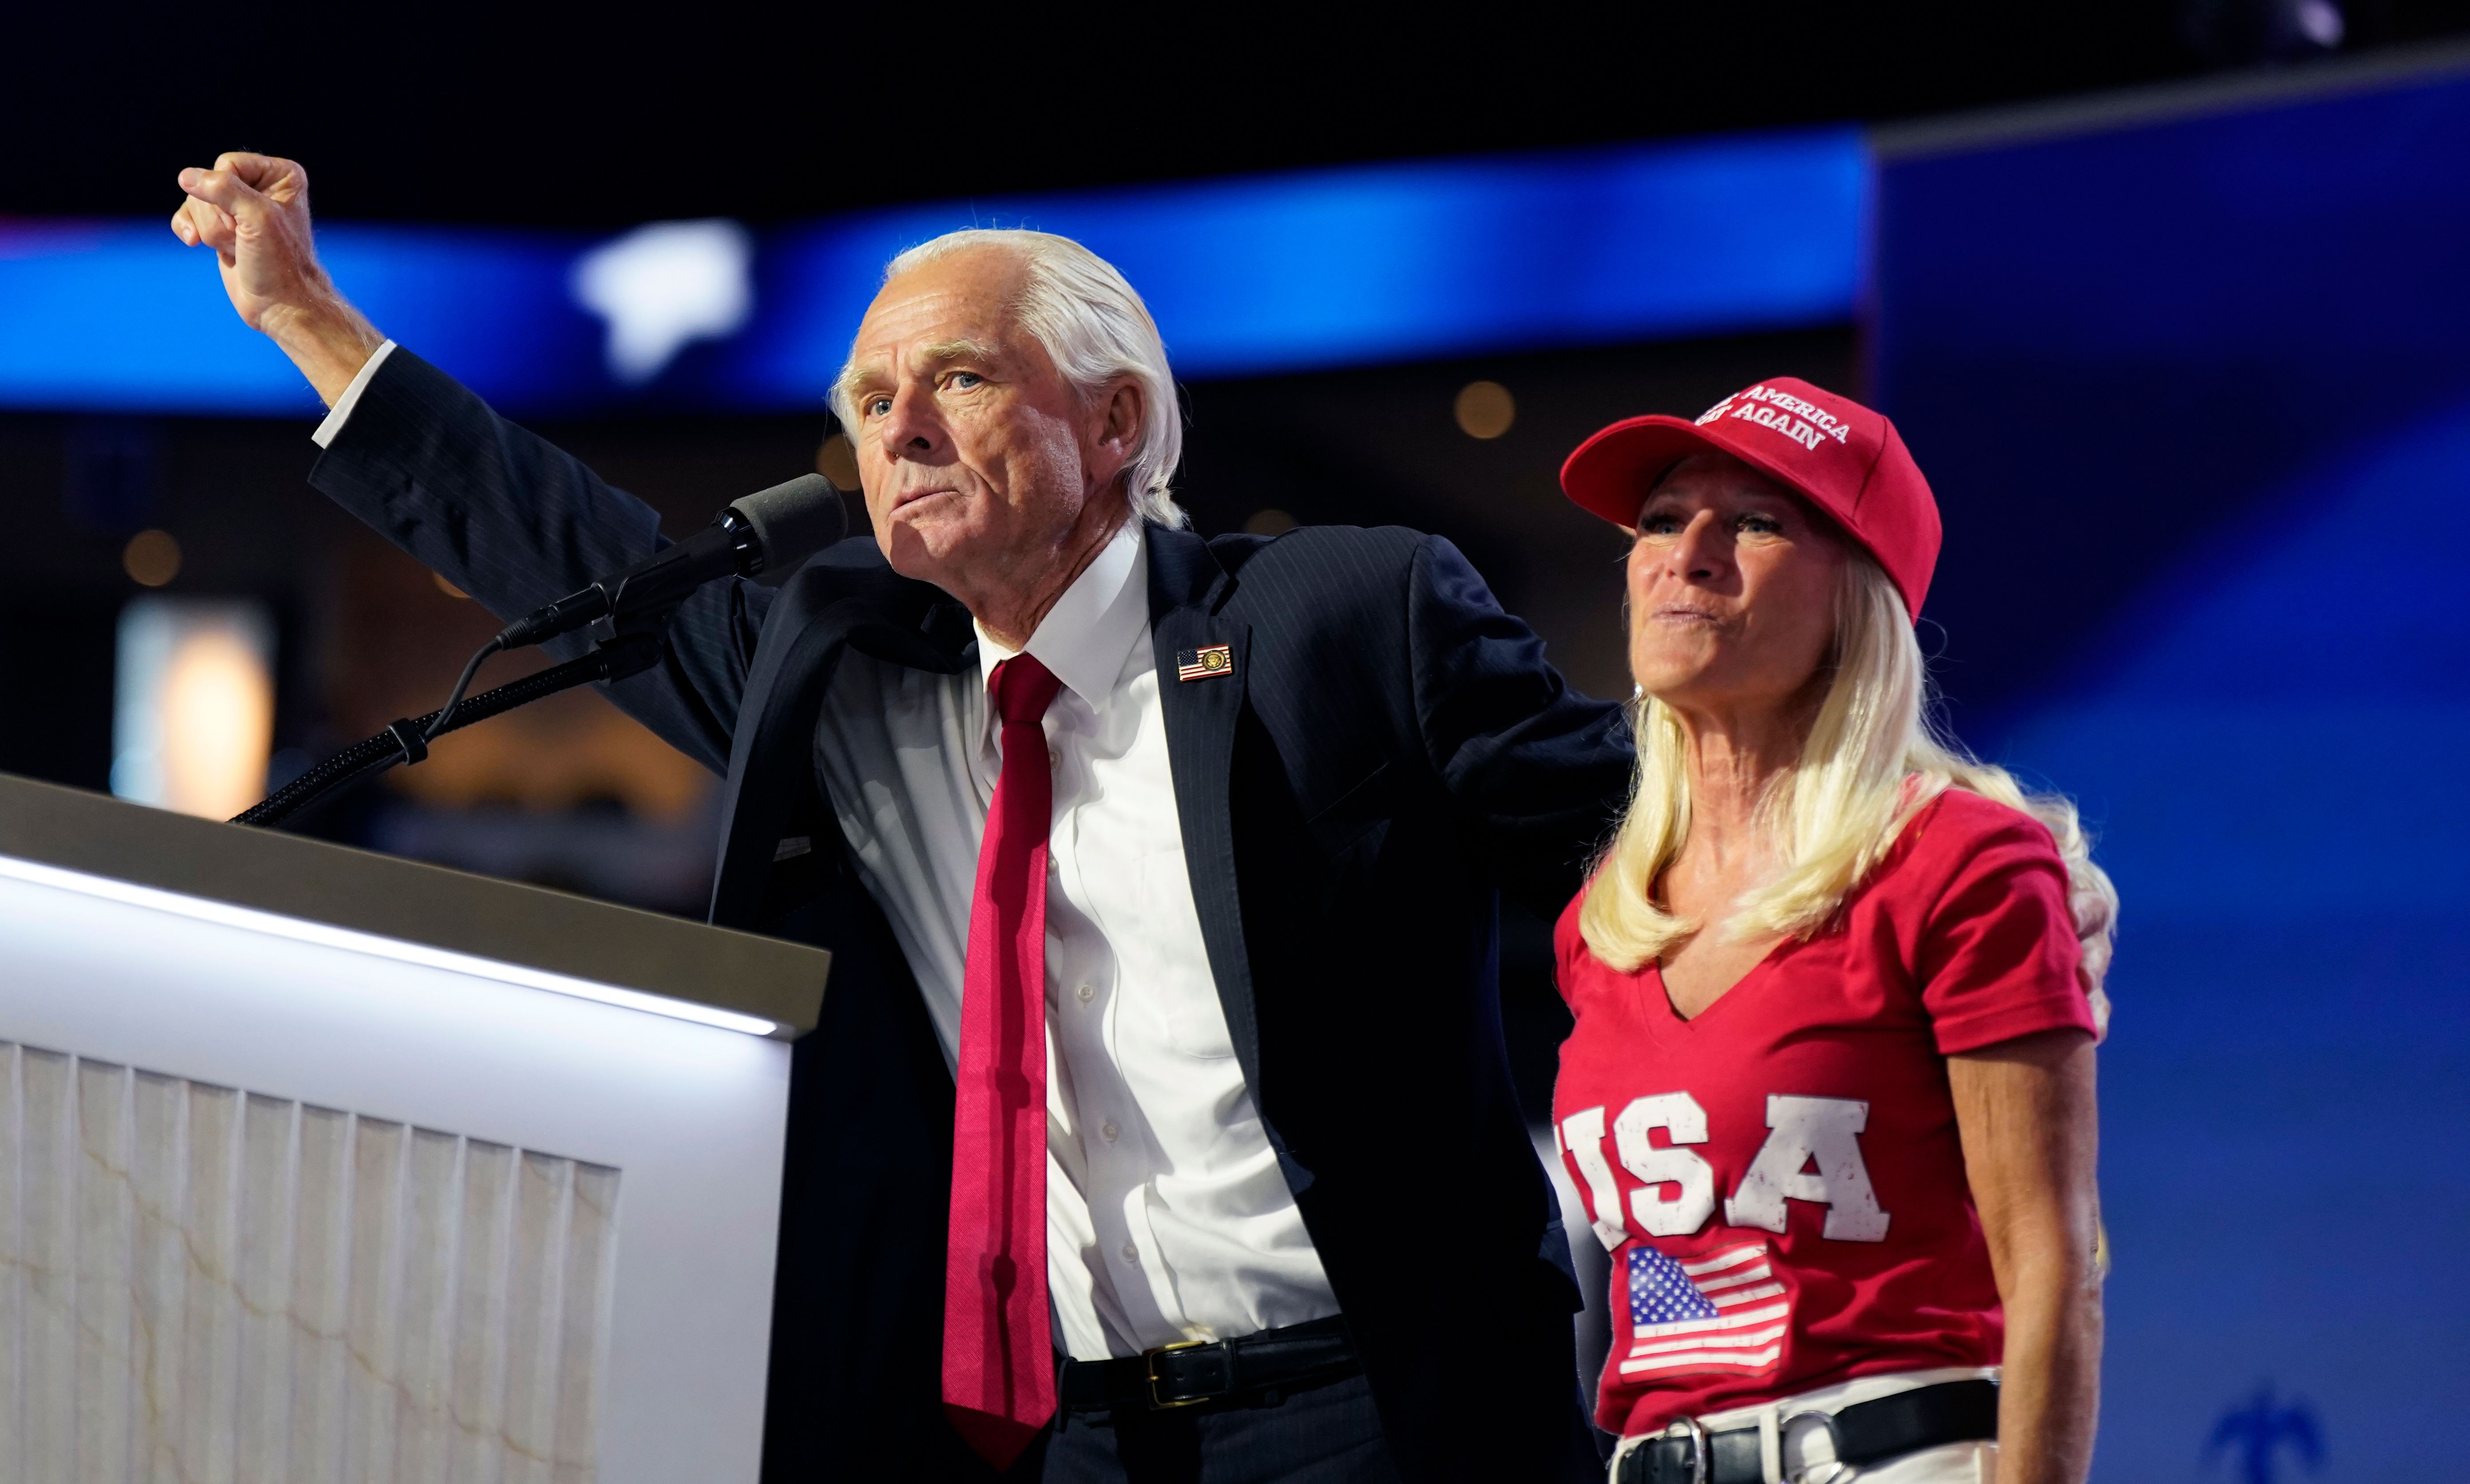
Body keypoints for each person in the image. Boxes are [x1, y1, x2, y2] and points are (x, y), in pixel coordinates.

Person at [170, 153, 1630, 1484]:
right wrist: (307, 319)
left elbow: (1659, 832)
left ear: (1115, 421)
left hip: (1380, 1410)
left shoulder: (1339, 618)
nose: (901, 430)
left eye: (960, 381)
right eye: (870, 404)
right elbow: (570, 547)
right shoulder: (845, 674)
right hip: (1066, 1445)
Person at [1547, 379, 2112, 1484]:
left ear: (1860, 596)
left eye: (1755, 521)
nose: (1688, 553)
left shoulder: (1957, 861)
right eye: (1661, 520)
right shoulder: (1602, 924)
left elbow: (2051, 1268)